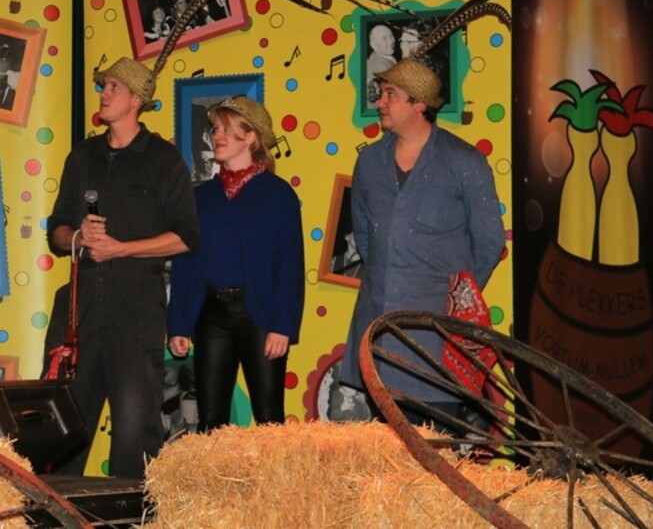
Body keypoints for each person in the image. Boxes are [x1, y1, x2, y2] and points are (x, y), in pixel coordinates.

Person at [44, 57, 200, 478]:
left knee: (135, 436)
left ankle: (130, 512)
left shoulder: (164, 160)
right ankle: (56, 511)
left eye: (114, 87)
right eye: (103, 85)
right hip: (79, 315)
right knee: (61, 431)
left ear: (136, 100)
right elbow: (56, 230)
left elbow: (186, 237)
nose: (104, 93)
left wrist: (121, 249)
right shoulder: (82, 156)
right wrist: (78, 237)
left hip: (135, 317)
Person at [337, 58, 505, 427]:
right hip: (379, 328)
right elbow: (365, 237)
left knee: (436, 443)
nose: (381, 102)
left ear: (419, 104)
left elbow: (490, 241)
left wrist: (454, 294)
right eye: (382, 93)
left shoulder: (465, 161)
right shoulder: (369, 162)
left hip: (436, 334)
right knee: (389, 445)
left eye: (390, 94)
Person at [167, 96, 304, 432]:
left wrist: (283, 326)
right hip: (210, 317)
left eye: (226, 129)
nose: (217, 136)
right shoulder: (201, 197)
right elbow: (185, 264)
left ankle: (274, 473)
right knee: (211, 422)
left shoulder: (278, 194)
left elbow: (290, 264)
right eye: (215, 129)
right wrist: (179, 324)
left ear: (251, 137)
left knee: (269, 419)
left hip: (260, 316)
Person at [366, 24, 396, 106]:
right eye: (384, 39)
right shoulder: (379, 68)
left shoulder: (383, 57)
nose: (391, 41)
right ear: (374, 45)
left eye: (391, 36)